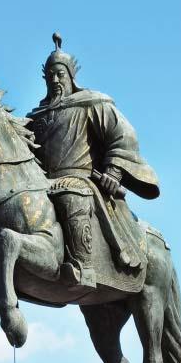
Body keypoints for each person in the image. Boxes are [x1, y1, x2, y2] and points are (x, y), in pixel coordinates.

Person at [27, 33, 160, 287]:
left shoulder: (91, 103)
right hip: (43, 182)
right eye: (50, 76)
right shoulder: (35, 118)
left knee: (71, 195)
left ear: (70, 76)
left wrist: (114, 172)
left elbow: (123, 135)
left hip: (79, 180)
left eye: (60, 74)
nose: (55, 80)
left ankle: (84, 267)